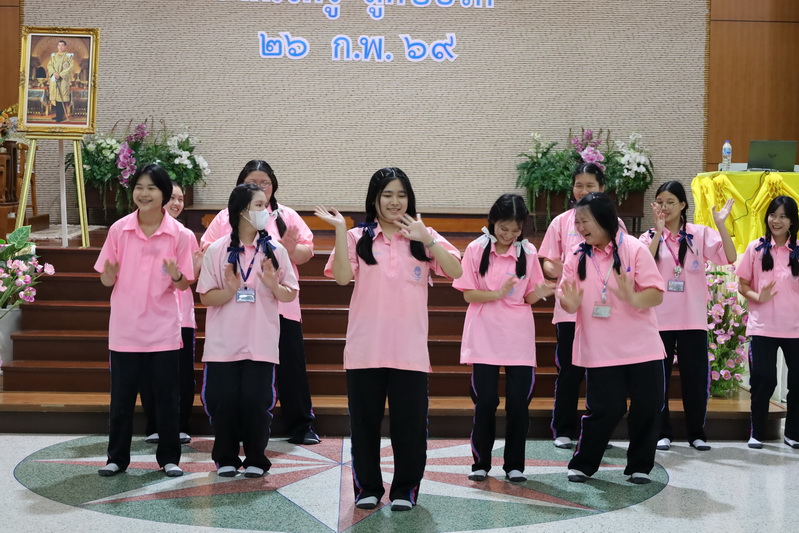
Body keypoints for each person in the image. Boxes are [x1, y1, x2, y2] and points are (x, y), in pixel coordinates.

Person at [315, 167, 462, 512]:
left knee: (410, 427)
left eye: (401, 195)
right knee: (364, 425)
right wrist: (340, 231)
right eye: (387, 195)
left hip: (409, 351)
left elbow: (457, 271)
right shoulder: (358, 237)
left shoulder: (423, 235)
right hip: (365, 349)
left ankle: (405, 489)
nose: (395, 202)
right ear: (374, 200)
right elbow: (341, 278)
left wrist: (428, 240)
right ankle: (367, 487)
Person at [202, 160, 319, 445]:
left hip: (279, 303)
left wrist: (292, 249)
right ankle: (239, 431)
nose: (260, 187)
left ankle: (301, 425)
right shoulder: (225, 217)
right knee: (240, 373)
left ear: (273, 185)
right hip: (234, 308)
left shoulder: (285, 215)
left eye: (264, 182)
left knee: (290, 367)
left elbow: (306, 252)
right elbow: (207, 248)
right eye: (252, 182)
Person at [94, 163, 195, 478]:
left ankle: (169, 458)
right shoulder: (119, 229)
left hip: (163, 328)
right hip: (125, 328)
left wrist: (176, 275)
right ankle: (116, 458)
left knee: (167, 398)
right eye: (139, 187)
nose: (144, 193)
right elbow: (106, 279)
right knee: (121, 399)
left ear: (164, 193)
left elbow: (184, 284)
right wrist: (109, 274)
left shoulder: (180, 234)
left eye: (151, 188)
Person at [559, 192, 665, 485]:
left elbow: (656, 293)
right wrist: (569, 302)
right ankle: (583, 463)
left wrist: (633, 297)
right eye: (577, 222)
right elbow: (566, 299)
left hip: (642, 345)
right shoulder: (577, 255)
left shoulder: (634, 248)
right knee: (606, 409)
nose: (580, 227)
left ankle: (640, 466)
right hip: (600, 347)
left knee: (647, 406)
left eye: (585, 221)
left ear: (604, 219)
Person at [198, 183, 299, 477]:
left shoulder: (275, 250)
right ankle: (226, 458)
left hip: (260, 342)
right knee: (223, 402)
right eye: (259, 205)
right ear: (242, 211)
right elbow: (206, 298)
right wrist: (230, 290)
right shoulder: (217, 250)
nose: (266, 211)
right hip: (223, 344)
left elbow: (290, 294)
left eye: (265, 205)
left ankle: (256, 458)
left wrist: (273, 284)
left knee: (257, 403)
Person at [453, 194, 555, 483]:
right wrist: (497, 294)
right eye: (503, 228)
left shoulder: (528, 252)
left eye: (515, 229)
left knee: (518, 404)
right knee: (485, 402)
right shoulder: (476, 248)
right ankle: (481, 463)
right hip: (484, 334)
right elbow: (468, 294)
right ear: (492, 222)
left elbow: (529, 296)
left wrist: (543, 291)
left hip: (517, 337)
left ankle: (514, 465)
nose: (509, 235)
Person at [640, 181, 736, 452]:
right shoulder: (648, 237)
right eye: (660, 202)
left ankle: (696, 433)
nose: (665, 207)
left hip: (692, 319)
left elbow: (729, 256)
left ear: (683, 205)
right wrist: (659, 233)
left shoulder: (699, 234)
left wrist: (721, 224)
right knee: (658, 381)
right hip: (658, 320)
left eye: (671, 202)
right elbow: (641, 266)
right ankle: (662, 432)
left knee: (695, 379)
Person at [538, 162, 626, 449]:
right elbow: (548, 262)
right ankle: (563, 429)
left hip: (605, 312)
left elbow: (622, 261)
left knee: (601, 373)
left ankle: (596, 431)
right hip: (570, 311)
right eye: (579, 185)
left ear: (602, 188)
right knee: (569, 371)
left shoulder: (615, 223)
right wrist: (559, 269)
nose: (583, 190)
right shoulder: (561, 222)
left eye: (590, 185)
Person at [141, 182, 202, 445]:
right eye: (173, 198)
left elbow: (190, 277)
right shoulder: (143, 233)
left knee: (181, 373)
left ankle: (180, 425)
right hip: (150, 313)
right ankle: (154, 425)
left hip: (180, 314)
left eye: (181, 199)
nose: (177, 203)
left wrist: (197, 265)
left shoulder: (186, 235)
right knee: (149, 373)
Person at [736, 195, 799, 450]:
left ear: (792, 221)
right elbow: (743, 285)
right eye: (773, 215)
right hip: (763, 327)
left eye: (783, 216)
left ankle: (793, 433)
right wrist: (757, 296)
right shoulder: (756, 248)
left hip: (795, 329)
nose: (777, 220)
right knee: (764, 379)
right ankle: (757, 432)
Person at [47, 40, 73, 122]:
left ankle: (60, 117)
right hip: (55, 78)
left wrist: (60, 75)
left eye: (62, 45)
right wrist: (54, 73)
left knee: (61, 98)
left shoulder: (69, 56)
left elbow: (70, 67)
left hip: (63, 80)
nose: (60, 47)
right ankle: (57, 115)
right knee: (56, 98)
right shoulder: (53, 56)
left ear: (65, 47)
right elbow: (49, 65)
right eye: (59, 45)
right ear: (57, 46)